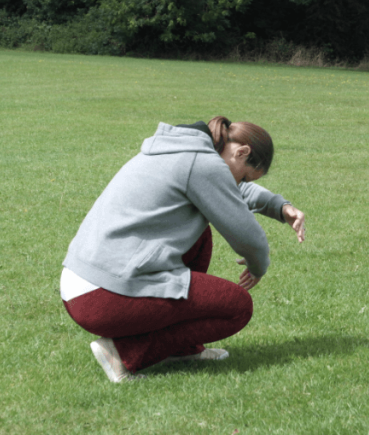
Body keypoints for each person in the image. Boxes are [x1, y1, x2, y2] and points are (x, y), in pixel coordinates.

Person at [60, 116, 306, 383]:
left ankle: (180, 349)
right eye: (244, 176)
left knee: (201, 237)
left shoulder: (181, 150)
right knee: (237, 307)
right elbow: (249, 238)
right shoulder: (202, 164)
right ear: (241, 152)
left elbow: (229, 189)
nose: (240, 184)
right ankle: (121, 354)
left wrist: (279, 207)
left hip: (83, 284)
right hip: (103, 297)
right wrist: (258, 267)